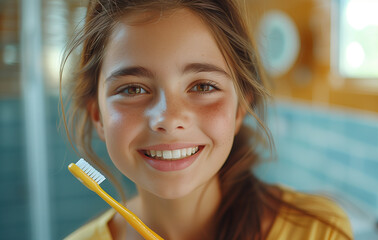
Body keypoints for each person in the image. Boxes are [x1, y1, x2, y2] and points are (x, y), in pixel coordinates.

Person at [61, 0, 353, 239]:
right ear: (98, 115)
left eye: (202, 86)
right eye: (133, 89)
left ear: (240, 107)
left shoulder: (320, 230)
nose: (168, 118)